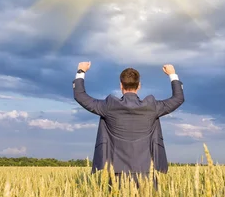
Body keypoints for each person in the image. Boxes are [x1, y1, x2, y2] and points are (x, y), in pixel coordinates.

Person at [72, 61, 184, 189]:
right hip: (147, 170)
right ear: (139, 85)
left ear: (121, 85)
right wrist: (172, 74)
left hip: (117, 172)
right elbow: (178, 99)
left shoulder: (108, 106)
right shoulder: (152, 107)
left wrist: (81, 71)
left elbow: (80, 96)